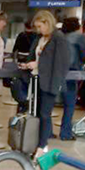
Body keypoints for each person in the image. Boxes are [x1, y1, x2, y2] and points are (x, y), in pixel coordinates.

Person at [20, 10, 70, 159]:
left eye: (40, 26)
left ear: (47, 23)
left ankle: (43, 145)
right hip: (37, 79)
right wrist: (28, 64)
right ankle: (36, 143)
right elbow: (35, 56)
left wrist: (38, 65)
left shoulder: (59, 38)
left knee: (44, 114)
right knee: (36, 113)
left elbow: (61, 63)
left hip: (49, 81)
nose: (38, 29)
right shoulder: (39, 38)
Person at [59, 17, 85, 141]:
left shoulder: (60, 36)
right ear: (77, 26)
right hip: (71, 72)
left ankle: (48, 132)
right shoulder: (79, 37)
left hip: (57, 71)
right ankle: (65, 133)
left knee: (49, 105)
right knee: (69, 104)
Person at [11, 21, 39, 114]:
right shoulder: (36, 36)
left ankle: (21, 106)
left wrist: (14, 60)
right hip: (32, 62)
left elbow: (15, 48)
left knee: (21, 84)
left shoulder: (21, 35)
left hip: (21, 60)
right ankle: (29, 106)